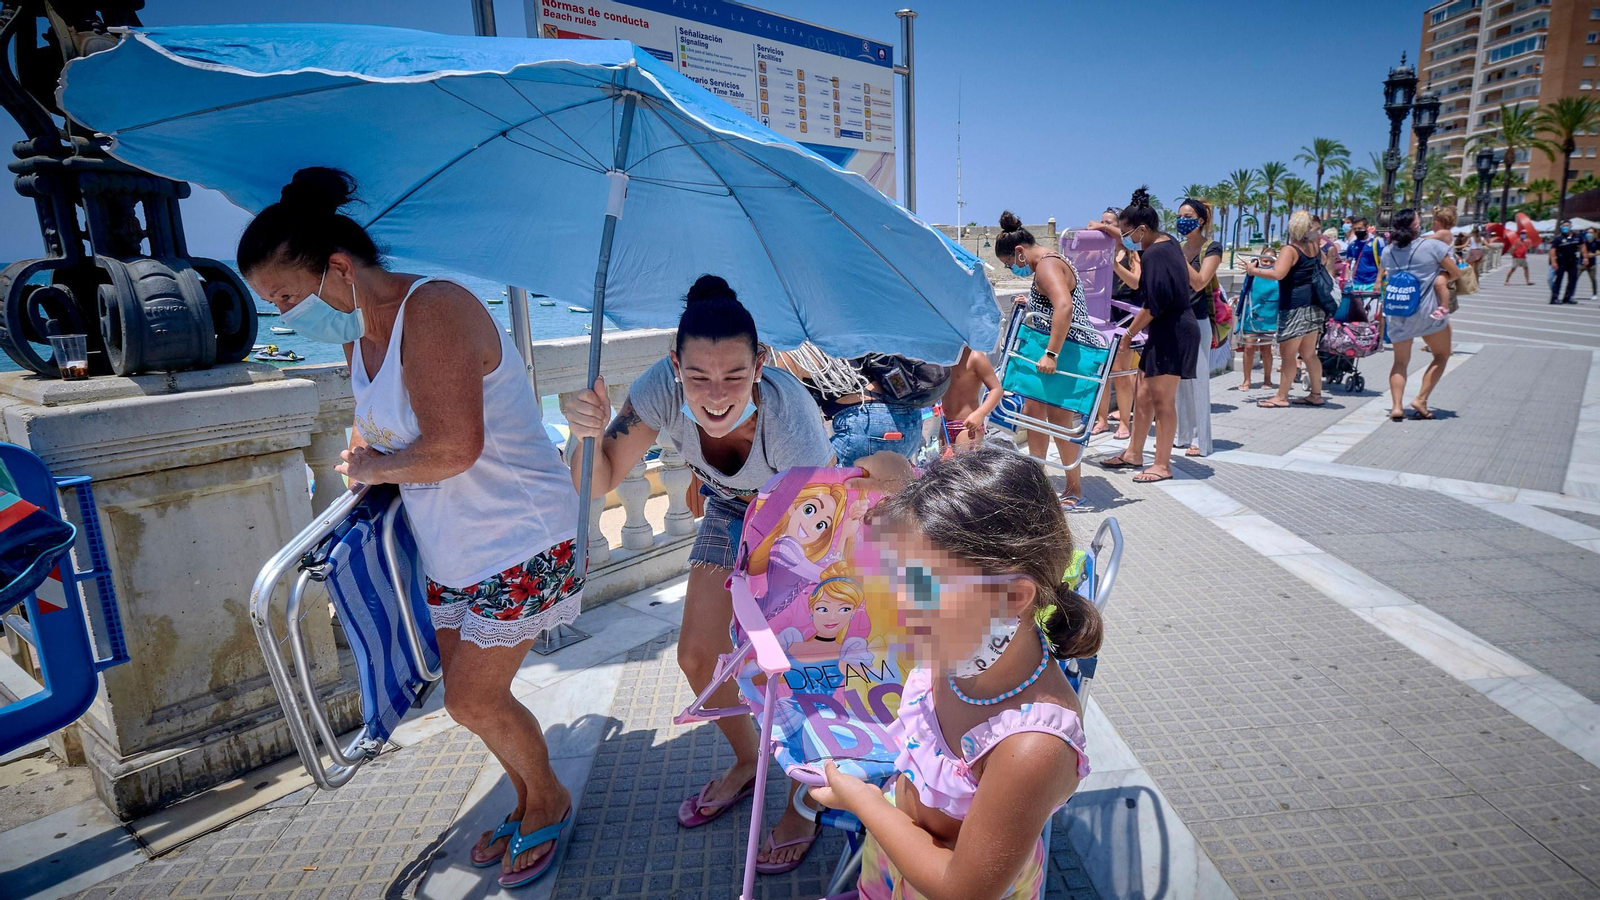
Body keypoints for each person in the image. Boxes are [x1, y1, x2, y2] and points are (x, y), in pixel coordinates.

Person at [239, 168, 580, 888]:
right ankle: (526, 798)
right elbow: (395, 445)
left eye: (288, 297)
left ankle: (548, 795)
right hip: (454, 547)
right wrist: (372, 461)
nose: (285, 315)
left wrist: (371, 466)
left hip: (519, 538)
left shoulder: (435, 309)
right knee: (467, 701)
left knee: (471, 698)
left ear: (335, 267)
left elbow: (456, 448)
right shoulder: (359, 337)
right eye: (272, 306)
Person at [563, 275, 912, 874]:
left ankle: (808, 793)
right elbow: (594, 482)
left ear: (761, 365)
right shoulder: (655, 391)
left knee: (799, 661)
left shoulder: (791, 414)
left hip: (799, 514)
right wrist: (584, 433)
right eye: (697, 376)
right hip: (728, 504)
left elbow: (817, 528)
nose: (715, 395)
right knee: (698, 658)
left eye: (733, 376)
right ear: (674, 364)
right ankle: (749, 759)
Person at [810, 446, 1099, 900]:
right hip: (890, 860)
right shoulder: (955, 646)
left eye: (921, 586)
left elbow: (961, 888)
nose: (898, 603)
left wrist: (861, 802)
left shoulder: (1031, 748)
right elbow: (897, 484)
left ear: (1011, 598)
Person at [994, 210, 1108, 506]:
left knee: (1059, 418)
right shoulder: (1051, 261)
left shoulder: (1045, 267)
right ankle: (1038, 480)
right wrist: (1030, 302)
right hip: (1059, 348)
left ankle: (1074, 488)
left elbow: (1064, 307)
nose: (1012, 271)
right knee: (1034, 412)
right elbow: (1051, 303)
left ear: (1019, 252)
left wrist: (1051, 354)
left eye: (1009, 264)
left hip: (1067, 351)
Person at [1096, 187, 1196, 484]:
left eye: (1127, 232)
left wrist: (1129, 333)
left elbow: (1155, 303)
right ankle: (1133, 453)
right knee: (1142, 393)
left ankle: (1162, 464)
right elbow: (1148, 288)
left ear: (1141, 229)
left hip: (1174, 332)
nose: (1126, 238)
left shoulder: (1155, 253)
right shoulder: (1168, 243)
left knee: (1163, 401)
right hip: (1166, 330)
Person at [1376, 208, 1457, 421]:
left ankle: (1396, 407)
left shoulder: (1388, 251)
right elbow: (1456, 271)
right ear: (1415, 226)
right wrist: (1440, 278)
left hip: (1398, 311)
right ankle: (1420, 399)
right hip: (1427, 312)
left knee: (1400, 362)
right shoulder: (1433, 246)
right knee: (1441, 354)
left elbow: (1386, 273)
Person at [1243, 209, 1327, 408]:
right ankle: (1316, 394)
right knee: (1309, 353)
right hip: (1314, 305)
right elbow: (1324, 263)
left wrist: (1253, 270)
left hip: (1294, 306)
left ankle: (1281, 396)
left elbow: (1278, 274)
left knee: (1288, 354)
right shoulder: (1315, 248)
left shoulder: (1291, 249)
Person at [1174, 198, 1220, 457]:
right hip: (1177, 319)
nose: (1182, 220)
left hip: (1199, 320)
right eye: (1179, 215)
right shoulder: (1178, 248)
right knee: (1180, 382)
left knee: (1199, 381)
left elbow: (1201, 281)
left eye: (1188, 215)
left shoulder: (1211, 248)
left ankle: (1203, 441)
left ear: (1201, 220)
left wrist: (1179, 259)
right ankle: (1183, 436)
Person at [1089, 207, 1139, 440]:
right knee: (1102, 371)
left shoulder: (1132, 254)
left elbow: (1136, 283)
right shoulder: (1097, 254)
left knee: (1120, 371)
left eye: (1108, 223)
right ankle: (1100, 420)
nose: (1102, 226)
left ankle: (1125, 423)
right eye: (1101, 221)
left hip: (1124, 315)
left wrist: (1115, 265)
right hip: (1101, 314)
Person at [939, 345, 1003, 452]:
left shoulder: (975, 357)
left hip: (968, 425)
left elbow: (997, 389)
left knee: (964, 465)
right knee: (945, 466)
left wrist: (980, 413)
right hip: (945, 424)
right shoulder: (942, 357)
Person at [1232, 248, 1278, 391]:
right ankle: (1246, 380)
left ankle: (1268, 379)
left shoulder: (1278, 275)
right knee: (1249, 347)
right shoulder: (1252, 272)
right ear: (1259, 260)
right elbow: (1247, 290)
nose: (1268, 263)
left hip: (1269, 314)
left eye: (1271, 261)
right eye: (1265, 260)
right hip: (1252, 313)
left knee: (1266, 349)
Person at [1427, 207, 1456, 317]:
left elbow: (1427, 240)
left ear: (1437, 222)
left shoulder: (1443, 233)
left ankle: (1444, 307)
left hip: (1445, 267)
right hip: (1441, 265)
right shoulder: (1446, 233)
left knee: (1439, 283)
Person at [1550, 219, 1584, 305]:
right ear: (1562, 227)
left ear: (1570, 227)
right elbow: (1553, 250)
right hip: (1561, 261)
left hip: (1572, 261)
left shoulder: (1577, 237)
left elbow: (1583, 245)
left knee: (1572, 279)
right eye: (1564, 226)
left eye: (1567, 226)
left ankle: (1568, 297)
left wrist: (1585, 257)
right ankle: (1554, 298)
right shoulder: (1558, 238)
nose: (1566, 227)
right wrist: (1554, 262)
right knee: (1558, 280)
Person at [1584, 226, 1600, 301]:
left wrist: (1594, 255)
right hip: (1581, 263)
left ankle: (1594, 294)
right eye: (1588, 232)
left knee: (1593, 279)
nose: (1589, 234)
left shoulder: (1596, 242)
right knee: (1574, 278)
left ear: (1594, 233)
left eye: (1591, 232)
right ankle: (1570, 294)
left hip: (1592, 263)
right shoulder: (1583, 240)